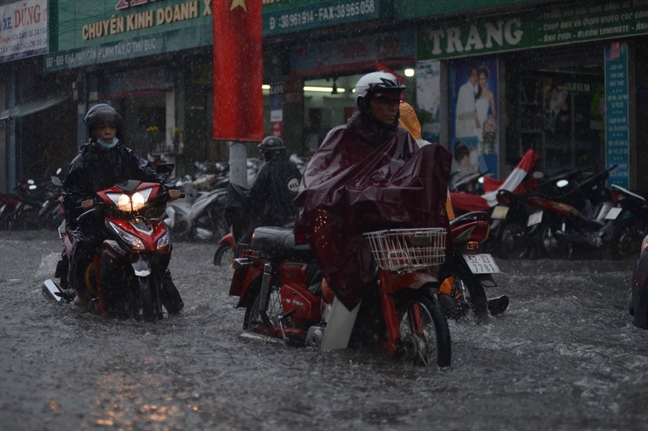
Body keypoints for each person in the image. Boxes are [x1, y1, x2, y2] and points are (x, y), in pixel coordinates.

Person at [295, 71, 452, 310]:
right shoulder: (340, 137)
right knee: (331, 275)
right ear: (364, 104)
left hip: (386, 230)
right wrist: (342, 197)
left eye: (395, 103)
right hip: (347, 223)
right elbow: (317, 178)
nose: (392, 109)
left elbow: (411, 178)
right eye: (384, 102)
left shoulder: (402, 138)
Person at [63, 103, 184, 316]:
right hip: (96, 218)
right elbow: (70, 192)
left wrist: (170, 188)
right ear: (94, 131)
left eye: (111, 127)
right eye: (102, 128)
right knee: (84, 245)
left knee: (154, 247)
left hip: (128, 213)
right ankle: (80, 295)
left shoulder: (127, 155)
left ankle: (176, 306)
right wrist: (83, 201)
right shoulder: (81, 161)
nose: (107, 132)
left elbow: (149, 173)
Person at [237, 136, 302, 246]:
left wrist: (246, 207)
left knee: (243, 244)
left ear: (267, 153)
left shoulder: (267, 168)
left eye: (263, 153)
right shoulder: (292, 167)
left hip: (271, 218)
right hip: (293, 217)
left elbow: (255, 193)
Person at [455, 65, 480, 138]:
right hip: (465, 128)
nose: (476, 77)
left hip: (475, 128)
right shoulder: (464, 89)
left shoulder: (477, 89)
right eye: (473, 75)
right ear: (469, 77)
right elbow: (460, 112)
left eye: (477, 75)